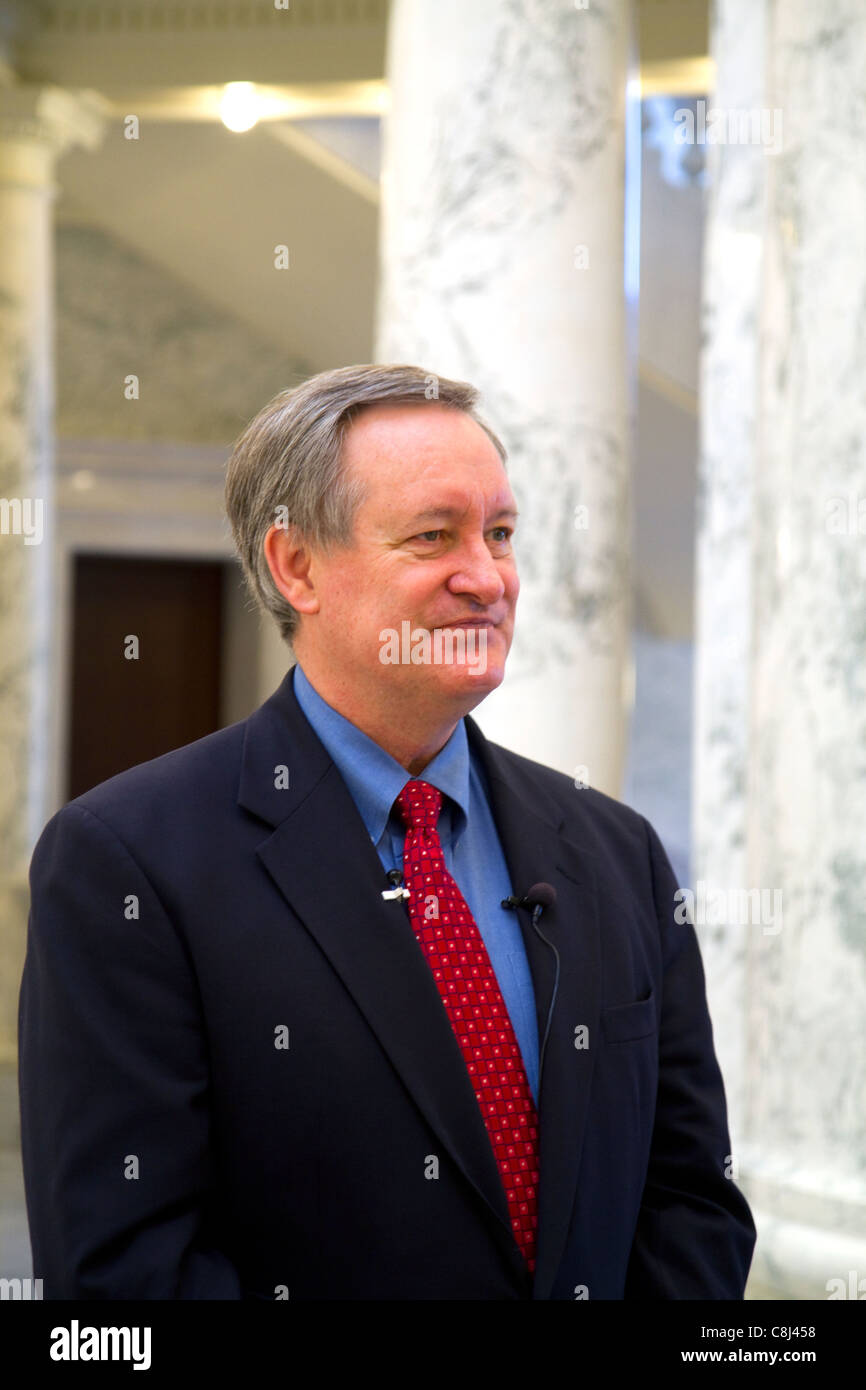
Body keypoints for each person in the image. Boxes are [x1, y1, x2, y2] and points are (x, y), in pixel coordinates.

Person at [18, 363, 756, 1300]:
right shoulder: (128, 860)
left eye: (500, 534)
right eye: (433, 536)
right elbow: (123, 1270)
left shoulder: (616, 853)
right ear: (297, 567)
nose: (486, 577)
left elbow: (692, 1197)